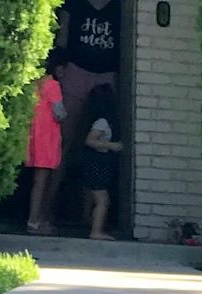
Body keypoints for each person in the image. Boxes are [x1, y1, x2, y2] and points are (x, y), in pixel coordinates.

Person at [54, 0, 121, 207]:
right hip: (76, 70)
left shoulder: (119, 8)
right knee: (62, 142)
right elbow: (62, 36)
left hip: (106, 76)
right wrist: (57, 63)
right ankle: (46, 207)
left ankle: (90, 215)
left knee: (98, 144)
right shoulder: (74, 4)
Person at [24, 56, 66, 235]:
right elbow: (59, 113)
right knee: (42, 181)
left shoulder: (31, 85)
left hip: (32, 135)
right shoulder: (52, 85)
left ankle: (35, 220)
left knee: (36, 181)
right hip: (47, 138)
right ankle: (35, 221)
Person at [80, 84, 124, 240]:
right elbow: (90, 141)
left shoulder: (99, 120)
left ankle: (91, 223)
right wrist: (112, 145)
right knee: (102, 200)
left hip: (99, 164)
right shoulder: (102, 122)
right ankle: (96, 231)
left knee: (96, 198)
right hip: (97, 164)